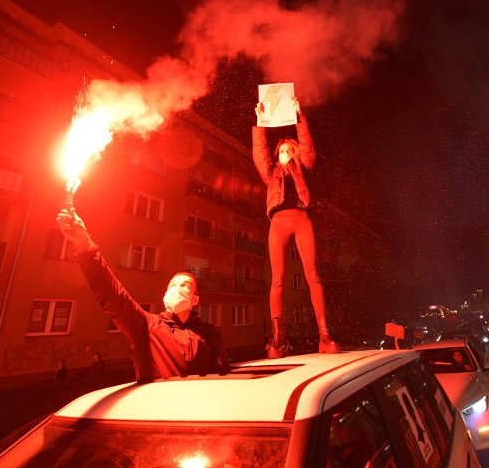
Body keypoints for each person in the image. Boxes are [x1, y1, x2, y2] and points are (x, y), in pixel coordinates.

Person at [57, 206, 229, 381]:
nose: (177, 289)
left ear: (194, 300)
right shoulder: (147, 327)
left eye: (184, 285)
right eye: (172, 285)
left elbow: (222, 377)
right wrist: (85, 245)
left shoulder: (209, 333)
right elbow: (113, 295)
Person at [252, 97, 340, 358]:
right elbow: (260, 153)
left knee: (313, 276)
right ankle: (278, 338)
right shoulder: (271, 173)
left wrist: (300, 117)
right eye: (282, 151)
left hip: (302, 220)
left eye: (290, 150)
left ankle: (324, 334)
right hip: (279, 223)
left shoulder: (303, 167)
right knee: (278, 279)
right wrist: (260, 123)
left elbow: (308, 149)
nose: (286, 153)